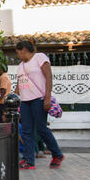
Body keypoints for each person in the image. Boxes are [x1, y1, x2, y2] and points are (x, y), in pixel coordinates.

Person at [15, 41, 64, 170]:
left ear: (23, 50)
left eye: (18, 52)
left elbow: (48, 76)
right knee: (27, 131)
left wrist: (47, 97)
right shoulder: (20, 66)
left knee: (41, 129)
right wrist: (14, 98)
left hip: (39, 99)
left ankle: (57, 154)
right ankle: (29, 160)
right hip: (25, 101)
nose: (18, 55)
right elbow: (19, 84)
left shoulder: (39, 57)